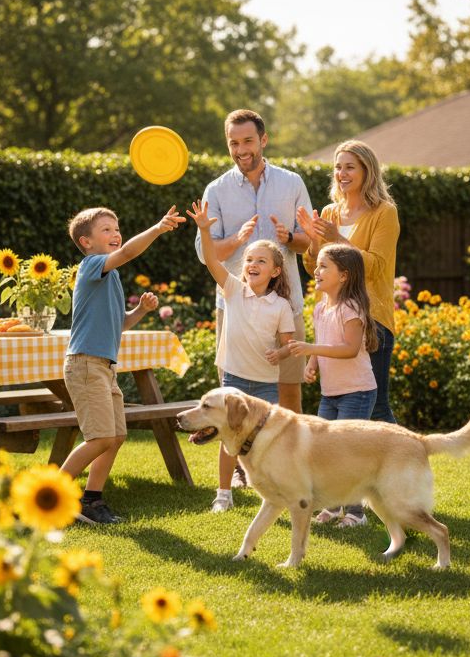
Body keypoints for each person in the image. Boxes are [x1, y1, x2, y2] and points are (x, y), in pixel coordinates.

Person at [196, 108, 313, 488]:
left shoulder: (291, 182)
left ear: (264, 140)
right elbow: (205, 250)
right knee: (236, 396)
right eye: (234, 142)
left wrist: (287, 238)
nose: (241, 149)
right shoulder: (217, 190)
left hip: (286, 303)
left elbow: (307, 239)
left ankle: (297, 466)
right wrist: (238, 239)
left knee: (288, 389)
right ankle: (244, 474)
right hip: (235, 309)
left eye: (248, 141)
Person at [60, 205, 186, 524]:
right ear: (86, 242)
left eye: (117, 228)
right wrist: (157, 228)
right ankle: (51, 496)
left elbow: (118, 325)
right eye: (106, 229)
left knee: (115, 437)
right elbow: (129, 251)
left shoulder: (110, 275)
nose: (116, 233)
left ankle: (91, 500)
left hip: (104, 367)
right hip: (86, 365)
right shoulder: (92, 266)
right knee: (100, 438)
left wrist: (140, 311)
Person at [188, 199, 296, 513]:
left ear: (275, 271)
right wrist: (205, 231)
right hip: (234, 379)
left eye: (261, 261)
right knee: (228, 439)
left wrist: (281, 352)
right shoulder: (233, 289)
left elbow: (289, 344)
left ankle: (271, 492)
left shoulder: (281, 306)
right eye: (249, 258)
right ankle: (224, 494)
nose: (252, 264)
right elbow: (211, 261)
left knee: (264, 441)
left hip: (264, 384)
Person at [297, 140, 399, 424]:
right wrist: (315, 240)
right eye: (338, 167)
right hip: (332, 319)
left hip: (371, 320)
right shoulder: (330, 213)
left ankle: (409, 460)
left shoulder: (384, 213)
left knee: (377, 405)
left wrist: (336, 239)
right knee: (335, 398)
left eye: (350, 167)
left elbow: (375, 267)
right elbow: (312, 267)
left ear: (367, 171)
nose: (342, 173)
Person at [282, 243, 379, 527]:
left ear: (344, 276)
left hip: (357, 391)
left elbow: (349, 349)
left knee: (347, 454)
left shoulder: (351, 308)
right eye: (317, 266)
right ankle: (335, 508)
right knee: (323, 450)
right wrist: (312, 364)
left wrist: (312, 348)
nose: (316, 270)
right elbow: (325, 342)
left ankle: (356, 514)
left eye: (324, 266)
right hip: (332, 393)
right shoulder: (322, 308)